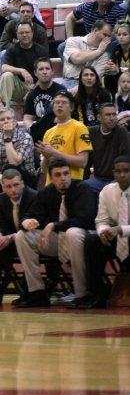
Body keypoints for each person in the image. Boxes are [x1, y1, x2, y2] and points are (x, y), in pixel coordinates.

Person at [14, 158, 97, 308]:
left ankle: (82, 294)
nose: (63, 178)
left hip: (84, 237)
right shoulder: (46, 192)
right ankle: (37, 292)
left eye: (66, 173)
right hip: (57, 241)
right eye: (58, 175)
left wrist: (54, 225)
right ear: (51, 178)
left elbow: (85, 220)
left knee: (72, 233)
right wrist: (26, 222)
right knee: (22, 236)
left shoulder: (82, 188)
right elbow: (30, 214)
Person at [80, 155, 130, 309]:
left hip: (126, 234)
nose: (122, 175)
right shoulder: (106, 191)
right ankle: (96, 294)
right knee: (91, 241)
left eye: (126, 171)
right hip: (116, 238)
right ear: (113, 173)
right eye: (118, 171)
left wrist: (120, 229)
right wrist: (103, 232)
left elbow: (119, 229)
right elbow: (101, 220)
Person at [0, 168, 37, 305]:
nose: (13, 190)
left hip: (31, 239)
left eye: (16, 185)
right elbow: (0, 224)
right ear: (3, 187)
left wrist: (11, 237)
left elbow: (34, 226)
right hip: (10, 241)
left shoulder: (34, 197)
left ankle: (27, 293)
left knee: (22, 243)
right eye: (8, 186)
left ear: (23, 183)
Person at [36, 91, 92, 182]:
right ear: (53, 107)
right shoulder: (48, 132)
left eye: (64, 102)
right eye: (57, 102)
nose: (60, 105)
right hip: (52, 186)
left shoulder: (80, 128)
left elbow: (83, 162)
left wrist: (54, 152)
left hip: (72, 184)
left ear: (71, 107)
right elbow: (44, 170)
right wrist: (46, 157)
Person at [0, 21, 49, 112]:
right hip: (19, 87)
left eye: (27, 32)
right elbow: (4, 67)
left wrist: (32, 91)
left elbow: (45, 74)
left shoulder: (41, 51)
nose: (24, 35)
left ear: (32, 33)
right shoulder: (11, 49)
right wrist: (22, 71)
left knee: (44, 76)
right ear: (17, 35)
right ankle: (3, 111)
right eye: (21, 33)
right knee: (6, 76)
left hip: (36, 86)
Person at [0, 106, 36, 187]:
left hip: (24, 180)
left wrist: (7, 138)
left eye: (9, 118)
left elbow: (14, 163)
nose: (6, 121)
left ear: (15, 121)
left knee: (9, 168)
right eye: (2, 120)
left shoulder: (25, 138)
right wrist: (0, 177)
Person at [86, 103, 130, 194]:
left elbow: (126, 159)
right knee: (82, 187)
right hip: (98, 179)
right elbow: (87, 161)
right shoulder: (91, 132)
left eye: (114, 114)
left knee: (110, 190)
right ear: (99, 117)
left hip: (116, 179)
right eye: (108, 115)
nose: (112, 118)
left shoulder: (121, 131)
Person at [61, 19, 113, 88]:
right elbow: (77, 58)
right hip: (67, 82)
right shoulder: (74, 41)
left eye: (109, 37)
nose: (107, 39)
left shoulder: (105, 55)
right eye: (105, 35)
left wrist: (78, 89)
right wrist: (98, 51)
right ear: (95, 31)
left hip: (88, 87)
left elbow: (95, 77)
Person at [24, 58, 64, 131]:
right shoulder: (32, 94)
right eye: (41, 69)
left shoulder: (61, 91)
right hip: (40, 133)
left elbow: (65, 117)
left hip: (59, 131)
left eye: (47, 69)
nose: (44, 72)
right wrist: (33, 132)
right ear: (35, 73)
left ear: (52, 72)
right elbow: (27, 119)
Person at [103, 20, 130, 96]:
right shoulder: (116, 49)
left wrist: (118, 70)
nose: (121, 37)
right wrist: (109, 67)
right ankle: (112, 100)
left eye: (124, 34)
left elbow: (120, 69)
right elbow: (112, 64)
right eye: (119, 34)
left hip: (128, 79)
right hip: (121, 78)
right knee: (107, 77)